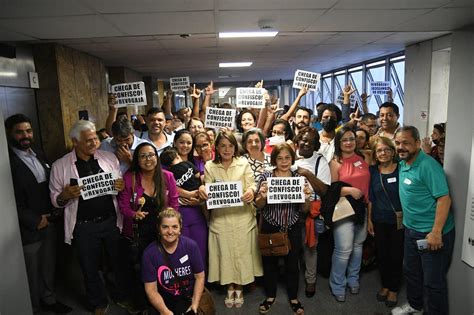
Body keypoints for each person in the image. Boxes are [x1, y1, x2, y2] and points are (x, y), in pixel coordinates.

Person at [49, 120, 127, 314]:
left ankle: (121, 294)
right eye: (88, 140)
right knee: (89, 266)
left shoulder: (109, 158)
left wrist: (121, 187)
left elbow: (119, 185)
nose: (94, 143)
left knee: (117, 261)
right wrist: (64, 196)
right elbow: (55, 200)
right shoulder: (60, 166)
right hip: (83, 226)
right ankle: (98, 302)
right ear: (75, 141)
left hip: (110, 220)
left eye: (96, 139)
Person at [5, 114, 72, 315]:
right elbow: (8, 200)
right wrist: (34, 220)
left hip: (50, 221)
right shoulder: (7, 162)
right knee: (31, 272)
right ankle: (32, 308)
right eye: (19, 132)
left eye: (28, 131)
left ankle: (49, 299)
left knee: (47, 266)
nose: (25, 135)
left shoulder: (39, 154)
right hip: (29, 228)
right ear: (9, 134)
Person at [391, 126, 455, 315]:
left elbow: (444, 199)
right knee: (412, 273)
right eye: (398, 143)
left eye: (406, 143)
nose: (401, 147)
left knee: (433, 283)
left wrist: (436, 232)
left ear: (418, 144)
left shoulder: (428, 166)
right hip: (411, 231)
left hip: (431, 233)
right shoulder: (403, 163)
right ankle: (415, 305)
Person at [198, 131, 263, 308]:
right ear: (216, 148)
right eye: (223, 146)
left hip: (242, 217)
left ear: (235, 147)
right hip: (221, 218)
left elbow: (252, 184)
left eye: (230, 146)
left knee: (241, 252)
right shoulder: (210, 166)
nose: (227, 149)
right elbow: (209, 189)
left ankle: (240, 287)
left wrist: (251, 191)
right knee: (225, 253)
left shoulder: (244, 163)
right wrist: (203, 189)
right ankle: (229, 287)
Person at [117, 142, 179, 310]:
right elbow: (123, 206)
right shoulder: (130, 177)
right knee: (142, 272)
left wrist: (170, 220)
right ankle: (145, 306)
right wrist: (133, 214)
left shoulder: (167, 176)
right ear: (136, 159)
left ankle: (164, 304)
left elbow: (174, 202)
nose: (148, 159)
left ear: (157, 157)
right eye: (142, 156)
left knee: (164, 268)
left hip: (162, 233)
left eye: (151, 155)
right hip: (139, 234)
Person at [255, 143, 312, 315]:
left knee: (292, 263)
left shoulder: (299, 179)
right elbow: (258, 205)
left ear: (292, 158)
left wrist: (306, 197)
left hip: (292, 226)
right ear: (274, 160)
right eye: (279, 158)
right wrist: (263, 196)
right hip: (271, 225)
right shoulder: (265, 176)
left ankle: (293, 297)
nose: (284, 161)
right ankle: (270, 295)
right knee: (270, 262)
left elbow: (305, 209)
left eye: (287, 157)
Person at [329, 126, 370, 302]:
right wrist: (349, 190)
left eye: (351, 139)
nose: (348, 143)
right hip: (344, 209)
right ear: (338, 142)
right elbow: (330, 190)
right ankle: (338, 284)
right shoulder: (335, 162)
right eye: (344, 140)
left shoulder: (363, 157)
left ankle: (353, 279)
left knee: (358, 246)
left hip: (363, 208)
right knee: (343, 249)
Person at [142, 208, 205, 315]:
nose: (170, 232)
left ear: (180, 227)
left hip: (186, 298)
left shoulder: (191, 246)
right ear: (158, 228)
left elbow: (199, 277)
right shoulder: (150, 253)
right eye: (165, 227)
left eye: (174, 227)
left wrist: (195, 303)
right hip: (162, 300)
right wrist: (165, 311)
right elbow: (151, 289)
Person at [293, 126, 331, 298]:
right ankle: (293, 277)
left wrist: (307, 174)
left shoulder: (320, 161)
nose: (305, 143)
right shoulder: (290, 158)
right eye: (303, 139)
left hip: (312, 213)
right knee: (293, 247)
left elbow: (324, 190)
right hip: (292, 211)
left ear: (316, 145)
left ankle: (310, 280)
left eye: (310, 141)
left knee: (310, 248)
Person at [367, 137, 404, 307]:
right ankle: (385, 284)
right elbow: (371, 199)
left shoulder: (402, 169)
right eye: (379, 150)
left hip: (398, 220)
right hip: (379, 219)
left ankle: (394, 288)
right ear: (375, 153)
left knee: (396, 255)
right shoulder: (373, 171)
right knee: (381, 254)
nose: (383, 153)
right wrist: (369, 220)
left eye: (386, 149)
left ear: (393, 151)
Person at [160, 146, 208, 267]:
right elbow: (198, 175)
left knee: (196, 246)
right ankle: (188, 279)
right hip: (182, 212)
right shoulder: (169, 174)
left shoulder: (174, 170)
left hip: (197, 209)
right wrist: (193, 192)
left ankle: (199, 279)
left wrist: (200, 189)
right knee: (185, 247)